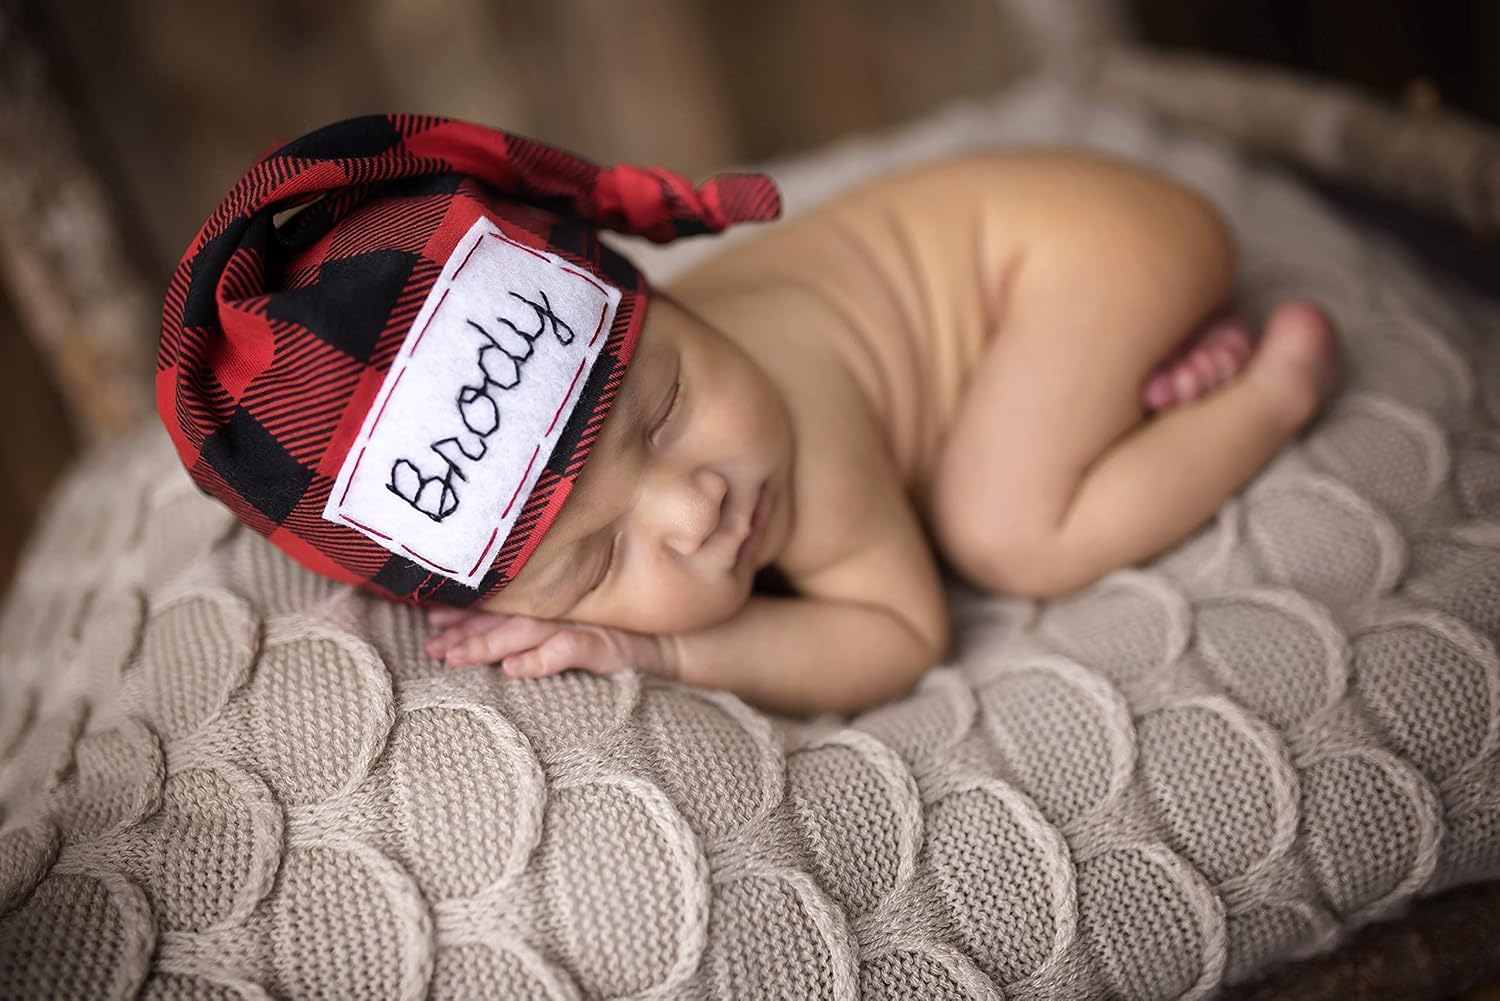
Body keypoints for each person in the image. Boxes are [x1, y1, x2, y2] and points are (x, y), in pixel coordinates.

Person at [160, 116, 1337, 718]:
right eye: (597, 561)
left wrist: (665, 645)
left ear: (663, 302)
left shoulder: (802, 432)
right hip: (1078, 255)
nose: (696, 505)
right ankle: (1147, 366)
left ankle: (1273, 386)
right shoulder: (671, 362)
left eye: (666, 410)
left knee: (1003, 529)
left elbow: (900, 631)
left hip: (1079, 254)